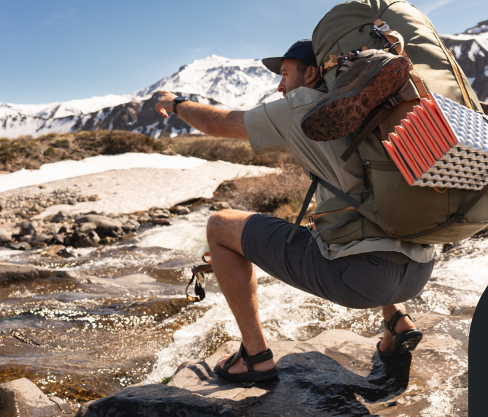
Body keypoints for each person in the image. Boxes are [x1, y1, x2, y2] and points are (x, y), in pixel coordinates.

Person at [155, 40, 435, 382]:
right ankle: (397, 319)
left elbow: (218, 124)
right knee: (360, 216)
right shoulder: (380, 104)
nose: (280, 85)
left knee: (219, 226)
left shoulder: (301, 106)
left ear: (312, 73)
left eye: (286, 74)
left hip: (362, 279)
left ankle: (255, 357)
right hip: (420, 270)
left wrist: (176, 103)